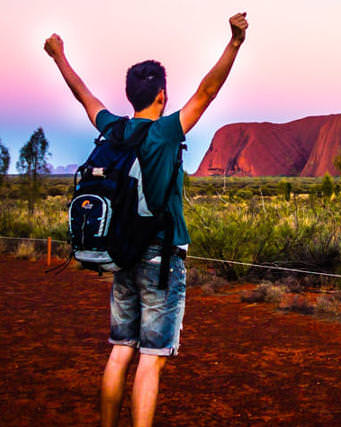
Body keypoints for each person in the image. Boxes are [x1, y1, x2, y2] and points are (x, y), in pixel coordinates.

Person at [44, 12, 249, 427]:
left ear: (131, 95)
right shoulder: (167, 131)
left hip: (121, 252)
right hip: (161, 260)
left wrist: (58, 56)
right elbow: (207, 92)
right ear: (161, 96)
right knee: (151, 360)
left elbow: (84, 95)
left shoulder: (113, 128)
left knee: (120, 349)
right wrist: (234, 43)